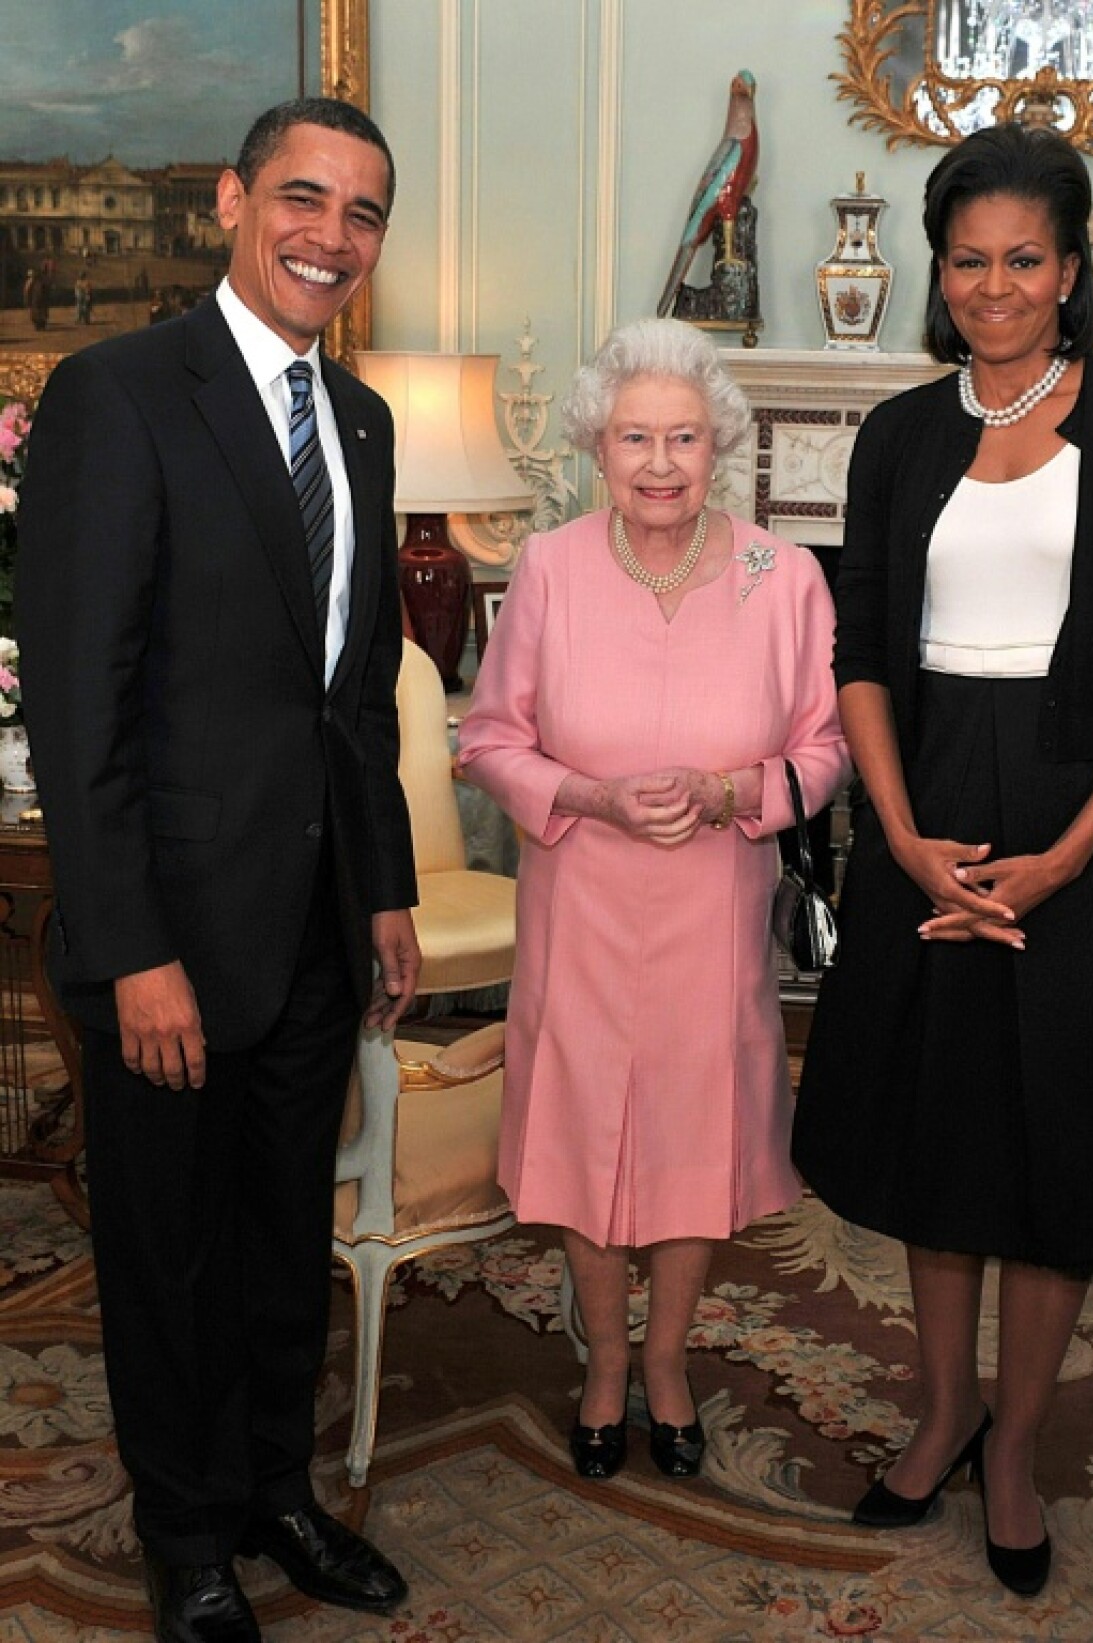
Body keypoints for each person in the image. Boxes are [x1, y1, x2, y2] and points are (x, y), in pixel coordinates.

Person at [792, 123, 1093, 1599]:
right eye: (967, 259)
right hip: (932, 816)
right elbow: (858, 650)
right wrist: (900, 835)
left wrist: (1075, 848)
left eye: (1022, 259)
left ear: (1071, 265)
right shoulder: (900, 434)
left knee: (1061, 1157)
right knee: (941, 1138)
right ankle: (942, 1409)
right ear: (939, 267)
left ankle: (1020, 1443)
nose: (992, 287)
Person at [18, 98, 420, 1643]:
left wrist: (381, 885)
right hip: (170, 939)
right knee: (168, 1252)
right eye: (303, 198)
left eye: (364, 213)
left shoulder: (364, 421)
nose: (331, 234)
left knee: (276, 1247)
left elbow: (357, 686)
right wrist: (132, 948)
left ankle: (272, 1488)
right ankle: (184, 1527)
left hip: (315, 926)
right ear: (231, 201)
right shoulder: (119, 396)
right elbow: (77, 695)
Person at [459, 317, 849, 1484]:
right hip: (582, 897)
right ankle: (604, 1363)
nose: (662, 461)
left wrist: (737, 789)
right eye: (637, 436)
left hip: (714, 910)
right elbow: (488, 739)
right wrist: (594, 795)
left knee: (694, 1133)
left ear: (718, 442)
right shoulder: (550, 567)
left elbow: (825, 751)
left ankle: (668, 1360)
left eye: (684, 435)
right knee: (582, 1128)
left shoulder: (787, 579)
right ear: (597, 446)